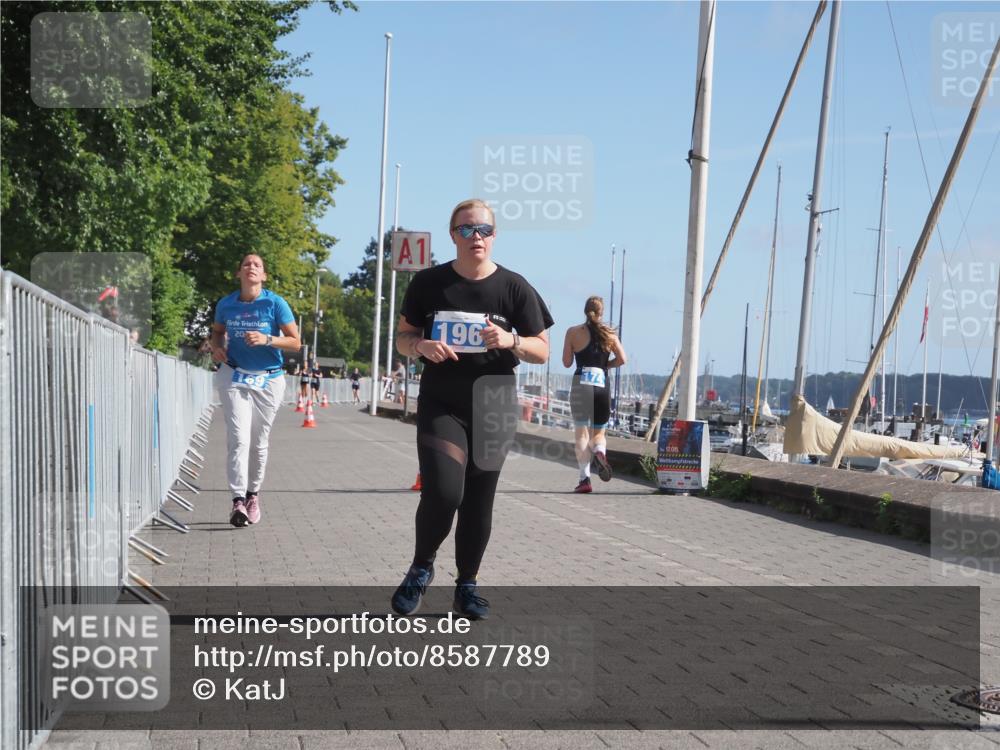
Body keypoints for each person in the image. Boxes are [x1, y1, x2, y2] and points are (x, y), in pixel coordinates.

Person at [392, 198, 552, 620]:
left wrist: (511, 340)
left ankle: (467, 586)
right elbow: (403, 338)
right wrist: (420, 345)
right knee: (445, 492)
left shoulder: (515, 287)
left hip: (494, 401)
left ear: (494, 236)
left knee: (480, 500)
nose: (475, 237)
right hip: (442, 399)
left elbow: (542, 350)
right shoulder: (429, 283)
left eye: (483, 229)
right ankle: (421, 567)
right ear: (452, 235)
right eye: (466, 230)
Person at [210, 254, 300, 528]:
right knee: (238, 438)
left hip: (269, 379)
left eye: (257, 265)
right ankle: (237, 500)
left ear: (264, 276)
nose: (252, 267)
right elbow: (216, 332)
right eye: (247, 264)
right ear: (239, 273)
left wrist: (267, 339)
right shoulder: (226, 304)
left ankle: (253, 494)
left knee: (259, 442)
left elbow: (296, 343)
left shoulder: (275, 303)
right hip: (234, 374)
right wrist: (216, 347)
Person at [562, 296, 627, 493]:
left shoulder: (573, 332)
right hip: (602, 385)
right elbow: (622, 359)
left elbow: (566, 362)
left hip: (581, 382)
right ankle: (599, 451)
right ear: (602, 313)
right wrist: (606, 365)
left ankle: (585, 480)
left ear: (585, 311)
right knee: (598, 433)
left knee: (581, 434)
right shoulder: (610, 335)